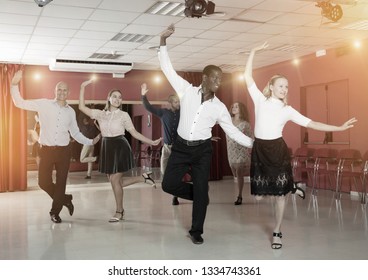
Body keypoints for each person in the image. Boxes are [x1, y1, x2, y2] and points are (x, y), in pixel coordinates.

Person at [243, 42, 357, 249]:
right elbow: (247, 77)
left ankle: (277, 231)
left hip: (277, 150)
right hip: (260, 149)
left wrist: (339, 128)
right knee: (259, 195)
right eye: (281, 86)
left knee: (278, 195)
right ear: (271, 87)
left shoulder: (288, 110)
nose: (284, 89)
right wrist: (253, 51)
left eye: (287, 86)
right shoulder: (260, 100)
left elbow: (312, 123)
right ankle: (292, 187)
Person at [158, 24, 253, 245]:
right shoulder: (186, 91)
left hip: (202, 151)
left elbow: (232, 132)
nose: (219, 82)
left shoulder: (219, 107)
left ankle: (196, 230)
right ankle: (200, 196)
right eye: (215, 78)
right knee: (168, 185)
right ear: (204, 78)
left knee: (201, 187)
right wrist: (163, 41)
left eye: (221, 79)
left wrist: (253, 143)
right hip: (181, 147)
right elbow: (167, 69)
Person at [11, 70, 101, 224]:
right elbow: (20, 103)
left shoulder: (71, 112)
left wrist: (90, 141)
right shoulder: (44, 104)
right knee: (43, 182)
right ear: (55, 91)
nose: (61, 92)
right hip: (46, 150)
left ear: (68, 93)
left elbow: (76, 133)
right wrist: (14, 85)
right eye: (59, 89)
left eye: (64, 90)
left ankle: (55, 212)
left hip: (63, 151)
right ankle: (65, 199)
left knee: (61, 183)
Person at [79, 79, 162, 222]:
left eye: (120, 97)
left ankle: (119, 211)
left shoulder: (124, 115)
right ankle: (143, 178)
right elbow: (81, 107)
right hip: (107, 147)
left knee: (115, 180)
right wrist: (82, 87)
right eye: (115, 96)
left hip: (120, 147)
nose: (118, 99)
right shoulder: (100, 114)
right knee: (115, 182)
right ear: (109, 98)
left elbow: (134, 133)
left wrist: (151, 141)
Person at [141, 83, 181, 206]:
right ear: (170, 103)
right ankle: (172, 188)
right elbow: (148, 107)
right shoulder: (163, 112)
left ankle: (175, 196)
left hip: (179, 148)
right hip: (167, 148)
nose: (178, 103)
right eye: (175, 102)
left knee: (177, 173)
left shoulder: (183, 113)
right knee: (164, 171)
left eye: (178, 101)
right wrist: (143, 95)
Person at [226, 102, 253, 205]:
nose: (234, 108)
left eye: (236, 106)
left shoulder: (245, 124)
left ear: (241, 109)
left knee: (239, 172)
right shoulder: (227, 121)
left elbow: (251, 137)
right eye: (233, 106)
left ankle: (240, 196)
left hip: (241, 151)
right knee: (235, 173)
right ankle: (240, 191)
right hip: (230, 151)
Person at [78, 113, 99, 179]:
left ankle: (96, 158)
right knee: (90, 160)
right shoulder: (92, 127)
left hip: (86, 143)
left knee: (82, 159)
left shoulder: (82, 127)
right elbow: (96, 134)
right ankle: (89, 174)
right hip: (92, 143)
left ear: (84, 120)